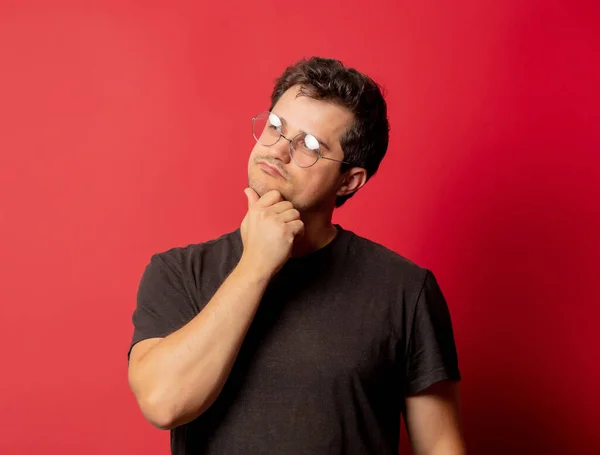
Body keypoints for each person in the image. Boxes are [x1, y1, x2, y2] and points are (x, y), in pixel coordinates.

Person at [127, 56, 465, 455]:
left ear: (348, 180)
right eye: (274, 127)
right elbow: (163, 403)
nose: (278, 151)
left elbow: (440, 444)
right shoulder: (178, 272)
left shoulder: (405, 289)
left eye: (309, 145)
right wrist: (256, 265)